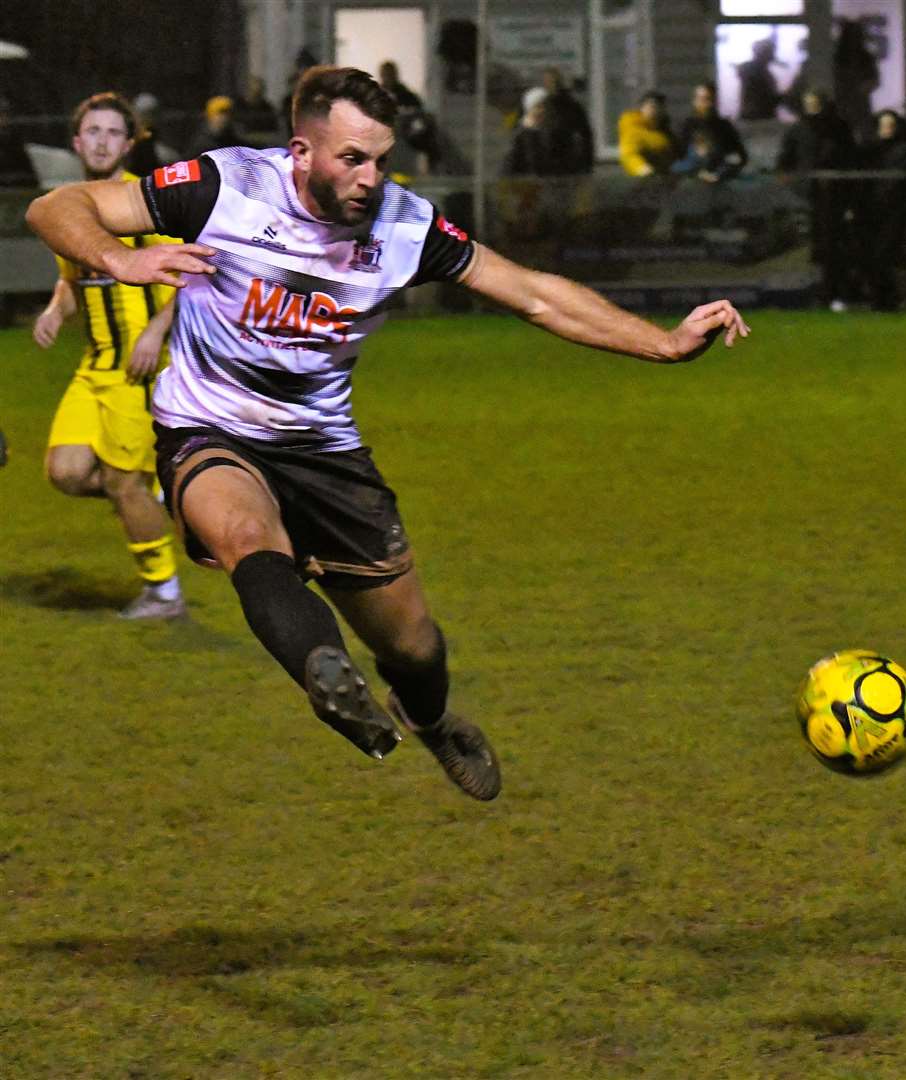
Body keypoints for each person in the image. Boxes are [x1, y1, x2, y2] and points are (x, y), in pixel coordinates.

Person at [26, 66, 749, 800]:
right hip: (211, 427)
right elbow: (59, 205)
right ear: (301, 153)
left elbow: (531, 294)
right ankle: (324, 675)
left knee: (412, 644)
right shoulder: (224, 186)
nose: (371, 177)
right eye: (351, 158)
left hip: (326, 452)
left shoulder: (405, 225)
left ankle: (427, 718)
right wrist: (119, 258)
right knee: (244, 536)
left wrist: (659, 343)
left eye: (380, 158)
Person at [31, 92, 184, 620]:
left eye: (113, 132)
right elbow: (73, 277)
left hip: (138, 373)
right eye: (91, 131)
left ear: (129, 142)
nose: (101, 141)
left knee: (120, 482)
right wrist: (56, 307)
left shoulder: (145, 204)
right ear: (76, 142)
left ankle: (163, 591)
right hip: (92, 369)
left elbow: (191, 271)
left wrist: (156, 332)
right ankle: (162, 495)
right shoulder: (69, 207)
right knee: (67, 473)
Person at [776, 88, 857, 310]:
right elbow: (785, 160)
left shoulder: (838, 128)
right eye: (809, 102)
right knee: (813, 248)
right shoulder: (798, 130)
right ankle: (817, 294)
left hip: (834, 198)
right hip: (807, 198)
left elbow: (849, 157)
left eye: (816, 102)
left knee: (833, 247)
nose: (813, 107)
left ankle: (833, 293)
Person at [856, 109, 906, 311]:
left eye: (890, 125)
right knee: (874, 256)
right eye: (884, 125)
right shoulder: (870, 149)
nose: (887, 129)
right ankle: (882, 299)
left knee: (884, 255)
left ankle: (884, 299)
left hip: (895, 209)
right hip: (870, 210)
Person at [676, 83, 747, 183]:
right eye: (702, 99)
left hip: (721, 179)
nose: (707, 104)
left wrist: (722, 171)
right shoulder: (686, 126)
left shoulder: (724, 126)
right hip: (693, 182)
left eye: (709, 99)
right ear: (694, 101)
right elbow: (679, 158)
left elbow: (741, 156)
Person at [540, 67, 594, 174]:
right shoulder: (542, 105)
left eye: (551, 81)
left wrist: (587, 164)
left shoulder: (570, 106)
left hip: (567, 162)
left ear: (559, 83)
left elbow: (585, 134)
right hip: (546, 163)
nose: (548, 85)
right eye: (546, 82)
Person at [617, 91, 677, 177]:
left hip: (668, 178)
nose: (655, 110)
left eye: (659, 107)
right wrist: (642, 169)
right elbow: (629, 154)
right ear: (642, 108)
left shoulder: (666, 131)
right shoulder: (633, 128)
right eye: (651, 106)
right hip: (645, 180)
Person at [736, 37, 783, 122]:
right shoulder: (752, 70)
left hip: (758, 118)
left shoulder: (761, 72)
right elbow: (766, 99)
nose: (772, 56)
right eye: (770, 52)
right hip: (756, 119)